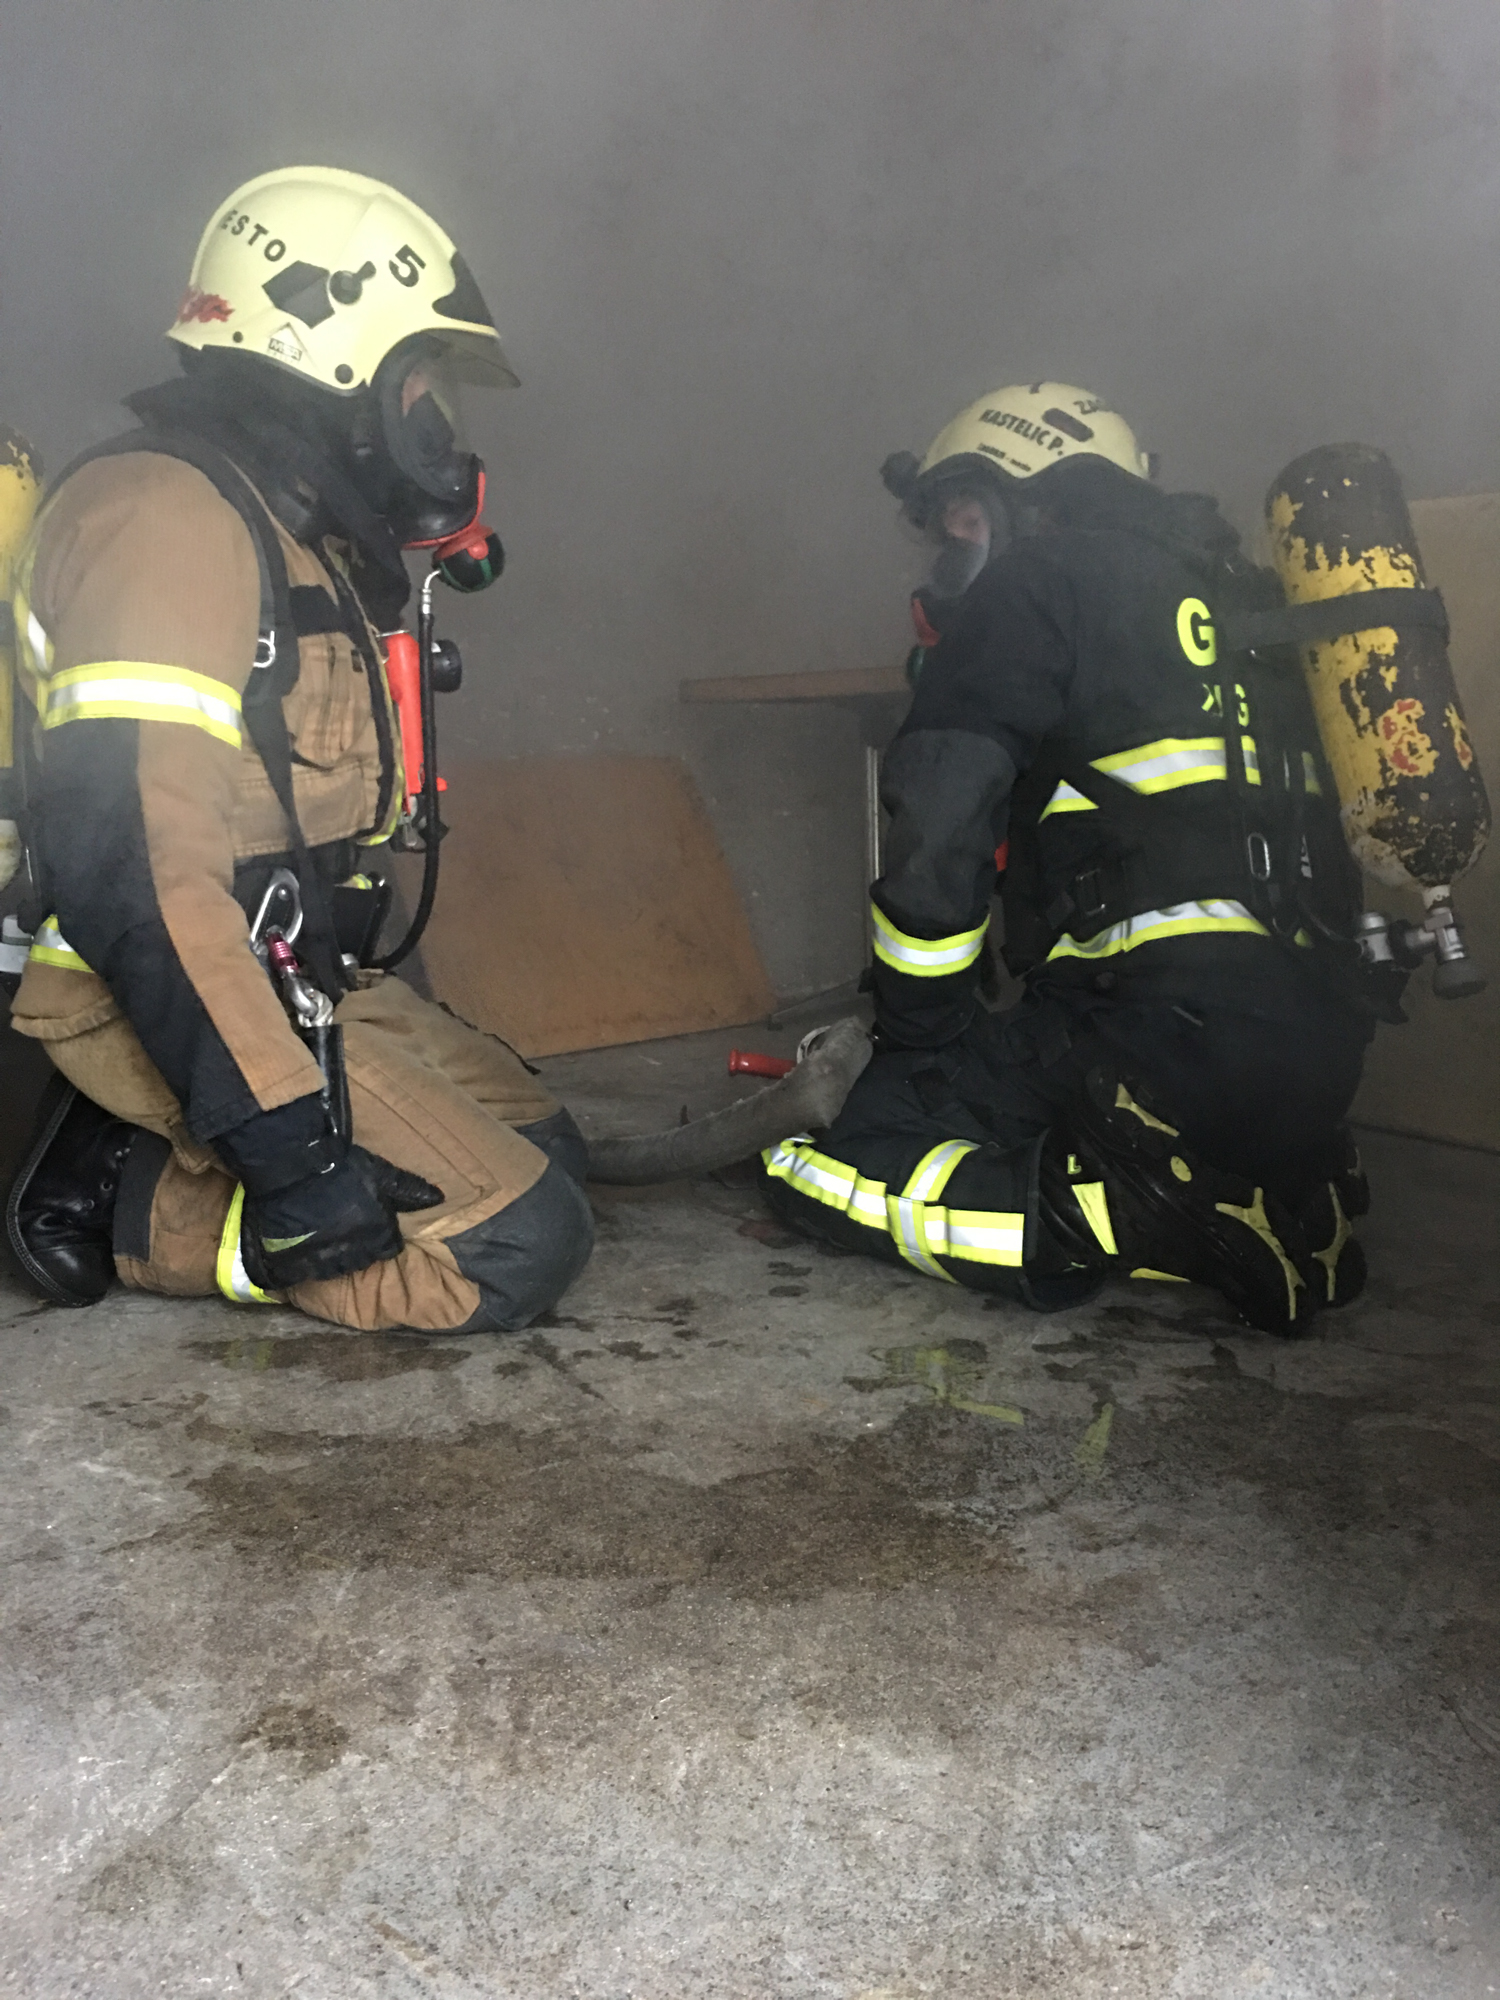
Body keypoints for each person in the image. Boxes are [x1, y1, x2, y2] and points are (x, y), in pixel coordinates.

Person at [4, 166, 594, 1332]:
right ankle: (126, 1202)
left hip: (286, 972)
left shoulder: (284, 528)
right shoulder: (168, 522)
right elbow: (137, 877)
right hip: (146, 983)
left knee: (553, 1151)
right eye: (418, 389)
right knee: (519, 1242)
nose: (436, 432)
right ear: (334, 364)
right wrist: (290, 1157)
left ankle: (146, 1147)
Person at [762, 381, 1374, 1333]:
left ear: (1031, 498)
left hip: (1157, 1043)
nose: (955, 555)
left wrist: (921, 1028)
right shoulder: (1251, 597)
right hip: (1321, 1064)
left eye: (968, 521)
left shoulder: (1038, 580)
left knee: (825, 1155)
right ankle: (1286, 1194)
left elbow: (939, 813)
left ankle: (1101, 1217)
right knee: (1080, 1070)